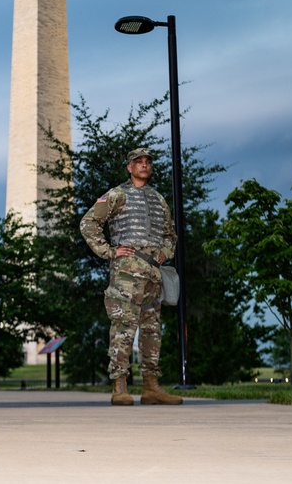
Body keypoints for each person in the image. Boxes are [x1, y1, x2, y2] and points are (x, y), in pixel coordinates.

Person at [80, 147, 182, 406]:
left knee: (151, 331)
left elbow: (171, 234)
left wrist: (165, 251)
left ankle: (151, 388)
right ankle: (119, 386)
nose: (144, 165)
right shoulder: (117, 195)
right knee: (124, 330)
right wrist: (108, 251)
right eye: (139, 162)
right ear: (129, 167)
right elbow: (88, 223)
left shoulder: (158, 199)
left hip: (152, 275)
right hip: (126, 275)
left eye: (148, 161)